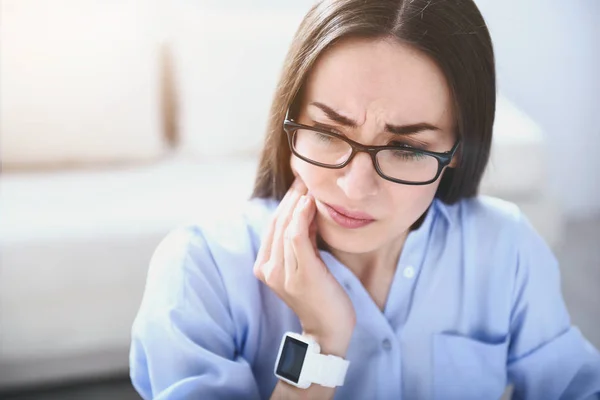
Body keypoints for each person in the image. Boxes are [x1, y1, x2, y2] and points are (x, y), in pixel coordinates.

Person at [129, 0, 600, 399]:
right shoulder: (200, 271)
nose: (355, 188)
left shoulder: (506, 249)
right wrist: (319, 343)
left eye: (406, 149)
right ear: (288, 118)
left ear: (458, 151)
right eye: (328, 132)